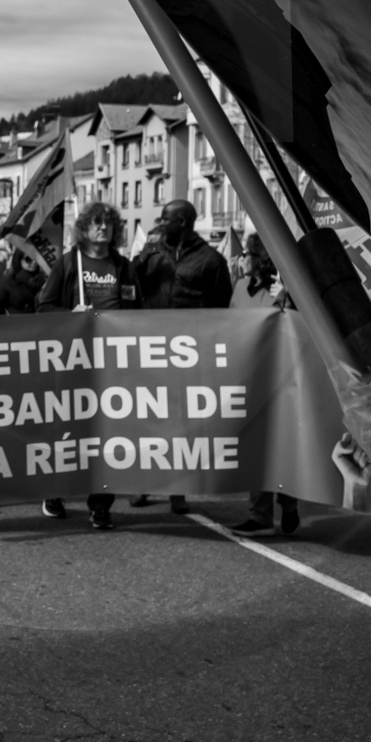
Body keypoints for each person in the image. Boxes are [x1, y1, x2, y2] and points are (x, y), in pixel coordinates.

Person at [37, 201, 140, 529]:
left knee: (107, 433)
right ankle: (56, 491)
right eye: (96, 223)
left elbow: (138, 312)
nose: (103, 228)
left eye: (108, 223)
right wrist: (70, 316)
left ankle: (101, 504)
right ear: (83, 228)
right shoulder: (69, 264)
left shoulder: (123, 267)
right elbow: (44, 308)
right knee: (67, 428)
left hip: (111, 362)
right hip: (72, 360)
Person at [131, 198, 233, 512]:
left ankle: (179, 489)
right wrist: (137, 263)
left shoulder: (211, 260)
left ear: (183, 222)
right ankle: (143, 485)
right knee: (148, 420)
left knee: (182, 425)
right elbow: (131, 292)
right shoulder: (151, 255)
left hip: (189, 354)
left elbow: (222, 307)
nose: (161, 225)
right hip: (152, 350)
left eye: (166, 220)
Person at [228, 233, 301, 538]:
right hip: (247, 374)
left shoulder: (286, 289)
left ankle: (287, 501)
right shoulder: (240, 287)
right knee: (255, 444)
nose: (241, 258)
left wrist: (288, 300)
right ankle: (259, 513)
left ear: (261, 258)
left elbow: (300, 329)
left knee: (278, 444)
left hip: (279, 376)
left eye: (247, 253)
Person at [0, 248, 45, 315]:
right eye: (28, 259)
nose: (34, 262)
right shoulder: (7, 282)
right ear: (19, 259)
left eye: (36, 258)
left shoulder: (43, 279)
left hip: (41, 321)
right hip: (17, 323)